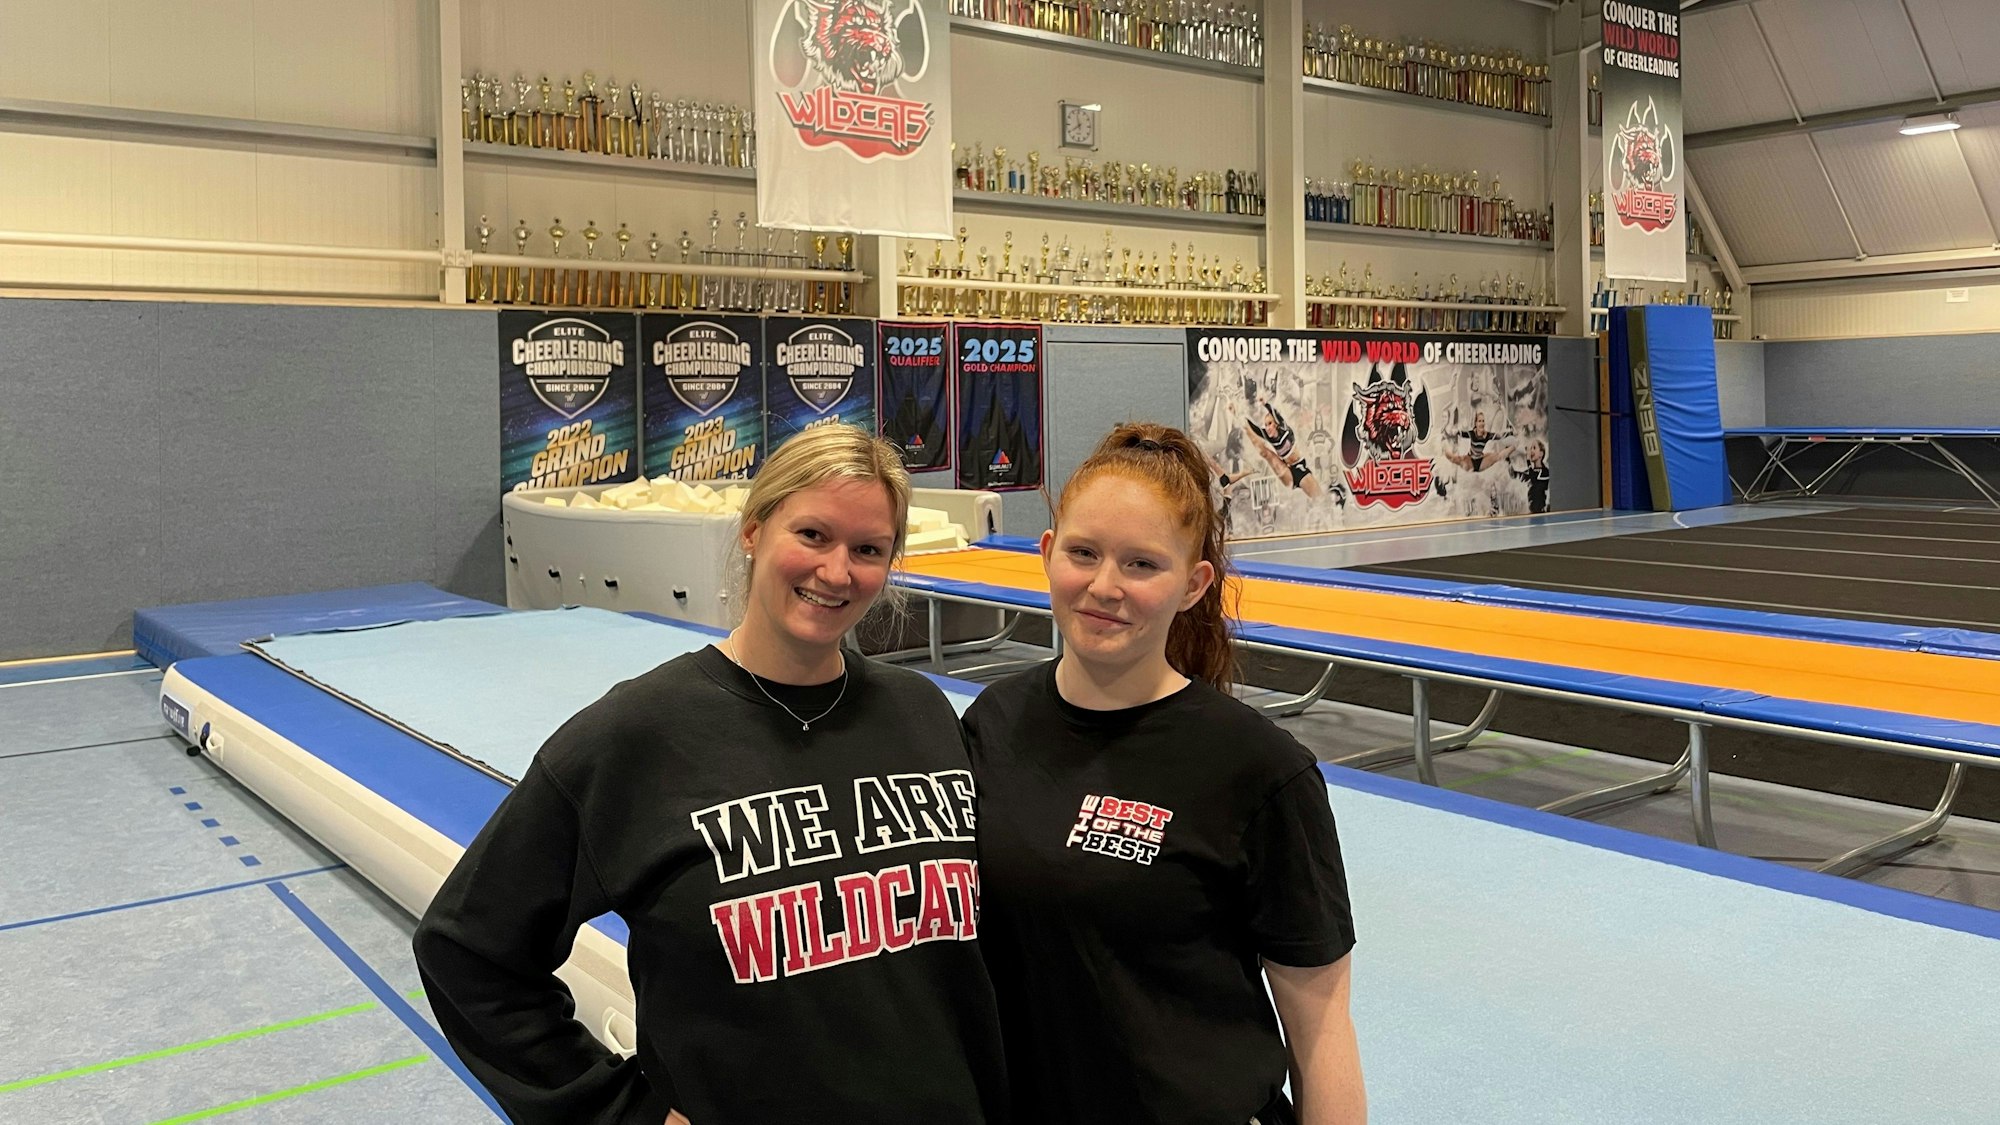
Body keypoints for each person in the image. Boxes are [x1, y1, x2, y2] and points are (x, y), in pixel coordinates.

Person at [413, 426, 1007, 1125]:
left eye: (868, 549)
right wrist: (621, 1112)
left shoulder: (923, 714)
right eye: (813, 534)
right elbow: (468, 949)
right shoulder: (640, 734)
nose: (838, 571)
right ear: (754, 529)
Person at [964, 423, 1365, 1125]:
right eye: (1083, 553)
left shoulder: (1258, 770)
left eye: (1142, 564)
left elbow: (1323, 1027)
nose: (1104, 585)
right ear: (1048, 553)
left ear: (1193, 583)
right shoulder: (991, 725)